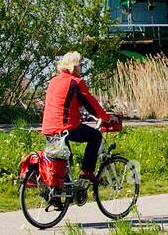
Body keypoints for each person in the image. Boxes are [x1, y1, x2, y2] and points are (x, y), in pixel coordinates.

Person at [41, 52, 114, 182]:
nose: (81, 67)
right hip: (66, 127)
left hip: (48, 127)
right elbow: (91, 104)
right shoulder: (75, 82)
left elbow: (63, 102)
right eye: (80, 65)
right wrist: (107, 118)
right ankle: (87, 171)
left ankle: (60, 194)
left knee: (63, 159)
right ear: (74, 66)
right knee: (95, 136)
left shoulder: (53, 81)